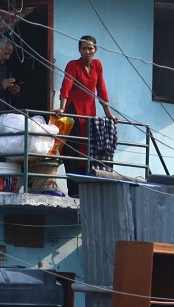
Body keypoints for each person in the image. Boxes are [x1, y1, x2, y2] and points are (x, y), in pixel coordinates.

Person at [54, 35, 117, 196]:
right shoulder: (73, 65)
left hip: (90, 114)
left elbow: (101, 90)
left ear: (95, 50)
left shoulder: (97, 65)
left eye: (90, 48)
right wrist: (61, 108)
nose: (87, 51)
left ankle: (86, 190)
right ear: (79, 50)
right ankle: (74, 190)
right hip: (73, 112)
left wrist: (108, 114)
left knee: (89, 150)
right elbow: (66, 86)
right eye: (84, 48)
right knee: (73, 150)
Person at [0, 38, 19, 117]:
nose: (7, 57)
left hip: (5, 115)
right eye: (6, 53)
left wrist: (14, 92)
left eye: (9, 55)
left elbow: (9, 96)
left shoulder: (5, 69)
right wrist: (1, 86)